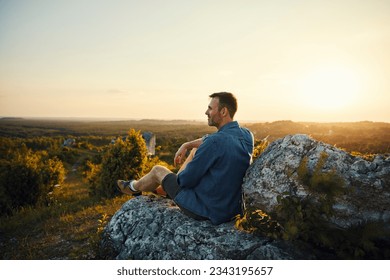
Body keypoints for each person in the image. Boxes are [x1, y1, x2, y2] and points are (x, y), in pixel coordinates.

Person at [117, 92, 254, 225]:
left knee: (158, 170)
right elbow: (210, 140)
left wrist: (174, 178)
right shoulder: (247, 135)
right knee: (196, 149)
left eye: (210, 108)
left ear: (223, 112)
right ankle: (163, 189)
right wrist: (187, 145)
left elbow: (184, 181)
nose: (206, 112)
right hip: (232, 209)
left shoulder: (214, 143)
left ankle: (132, 187)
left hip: (207, 210)